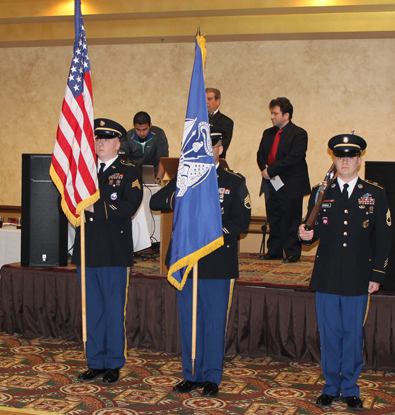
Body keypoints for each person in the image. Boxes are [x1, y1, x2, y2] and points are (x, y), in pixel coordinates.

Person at [150, 127, 251, 396]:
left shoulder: (233, 181)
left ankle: (211, 377)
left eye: (212, 146)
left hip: (217, 262)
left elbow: (241, 222)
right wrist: (181, 196)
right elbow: (156, 200)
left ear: (219, 149)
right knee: (190, 320)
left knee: (214, 321)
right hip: (187, 261)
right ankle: (191, 373)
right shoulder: (186, 178)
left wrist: (210, 231)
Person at [299, 134, 391, 410]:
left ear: (359, 160)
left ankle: (350, 387)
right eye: (340, 157)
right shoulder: (320, 191)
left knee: (352, 334)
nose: (345, 161)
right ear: (334, 160)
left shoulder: (374, 193)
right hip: (327, 274)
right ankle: (330, 386)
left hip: (358, 276)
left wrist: (377, 274)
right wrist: (305, 235)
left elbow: (384, 238)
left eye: (351, 156)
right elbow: (311, 232)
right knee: (329, 334)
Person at [74, 118, 143, 385]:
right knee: (92, 310)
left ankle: (113, 363)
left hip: (114, 252)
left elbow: (130, 206)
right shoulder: (85, 172)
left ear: (118, 143)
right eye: (97, 139)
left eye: (106, 139)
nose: (99, 143)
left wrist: (95, 207)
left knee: (114, 310)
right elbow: (66, 201)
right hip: (87, 250)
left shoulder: (129, 171)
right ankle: (95, 361)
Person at [256, 97, 310, 263]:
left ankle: (293, 252)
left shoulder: (299, 133)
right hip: (271, 183)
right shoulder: (268, 133)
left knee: (291, 218)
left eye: (275, 113)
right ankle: (274, 251)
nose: (272, 116)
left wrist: (271, 170)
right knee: (274, 216)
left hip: (290, 183)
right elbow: (260, 155)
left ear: (286, 115)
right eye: (271, 113)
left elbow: (295, 157)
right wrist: (266, 171)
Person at [120, 111, 169, 183]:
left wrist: (158, 179)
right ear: (134, 126)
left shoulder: (159, 134)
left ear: (150, 125)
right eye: (138, 129)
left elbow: (163, 158)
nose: (141, 133)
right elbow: (121, 159)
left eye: (145, 129)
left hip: (154, 177)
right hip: (132, 177)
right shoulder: (127, 137)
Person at [206, 87, 234, 159]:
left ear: (218, 101)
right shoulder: (197, 120)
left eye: (209, 99)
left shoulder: (226, 122)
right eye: (204, 99)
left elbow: (222, 145)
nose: (206, 102)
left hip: (215, 161)